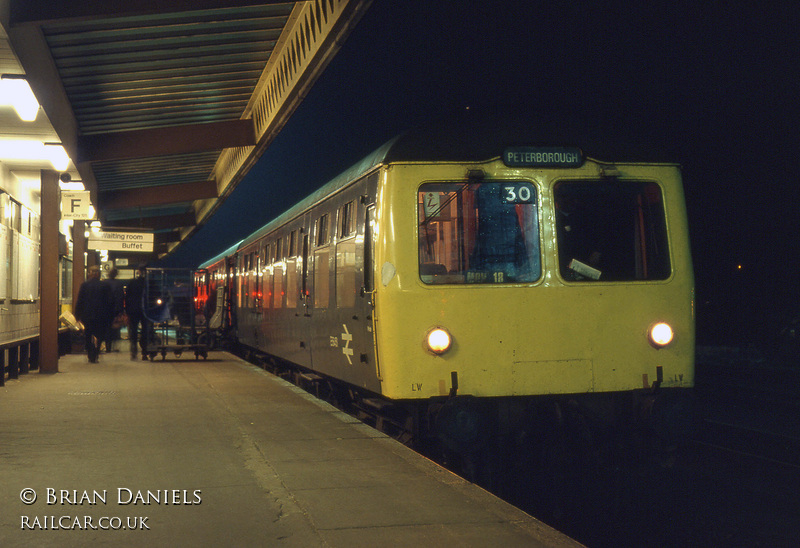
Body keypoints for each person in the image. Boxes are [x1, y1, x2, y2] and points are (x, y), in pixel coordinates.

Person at [74, 265, 114, 363]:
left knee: (88, 333)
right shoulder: (104, 286)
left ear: (90, 274)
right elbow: (109, 302)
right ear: (98, 274)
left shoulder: (84, 285)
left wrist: (77, 315)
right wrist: (110, 315)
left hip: (87, 315)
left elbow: (80, 300)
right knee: (99, 334)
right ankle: (96, 352)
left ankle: (90, 353)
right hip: (101, 315)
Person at [125, 264, 148, 360]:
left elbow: (127, 297)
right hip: (146, 310)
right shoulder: (149, 283)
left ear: (138, 271)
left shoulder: (132, 283)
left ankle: (134, 350)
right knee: (145, 330)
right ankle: (144, 351)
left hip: (133, 310)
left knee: (133, 330)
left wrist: (127, 310)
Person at [104, 267, 125, 352]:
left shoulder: (104, 283)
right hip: (116, 309)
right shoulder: (119, 284)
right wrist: (121, 310)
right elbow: (121, 297)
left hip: (106, 309)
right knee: (116, 327)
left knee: (107, 327)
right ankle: (115, 345)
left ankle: (107, 346)